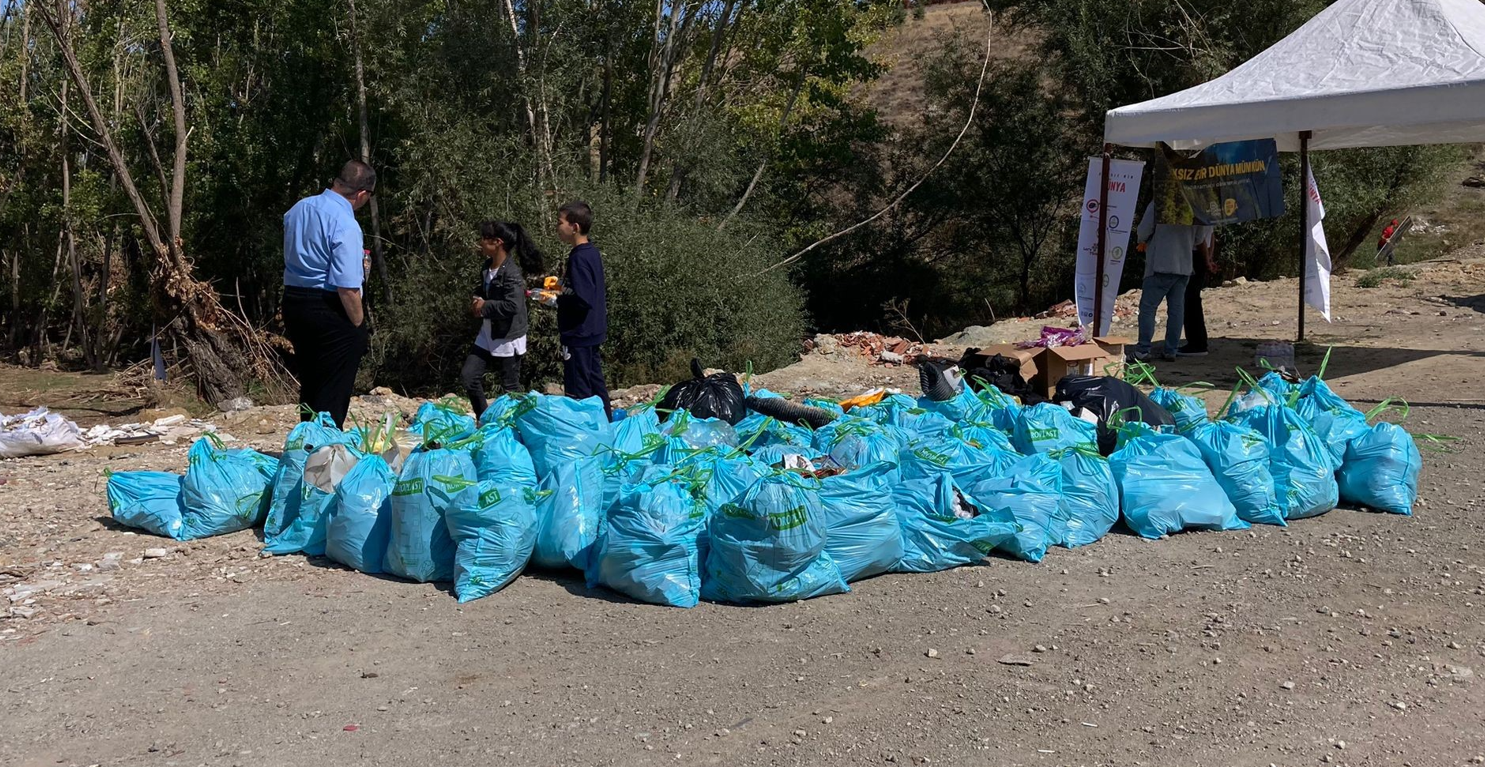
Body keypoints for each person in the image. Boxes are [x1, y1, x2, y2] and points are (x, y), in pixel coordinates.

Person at [281, 160, 376, 428]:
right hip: (328, 304)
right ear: (362, 194)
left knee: (310, 380)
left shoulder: (298, 209)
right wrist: (359, 325)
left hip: (294, 301)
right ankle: (325, 450)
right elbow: (347, 286)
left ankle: (307, 441)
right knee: (333, 385)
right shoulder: (345, 223)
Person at [461, 221, 543, 419]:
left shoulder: (511, 273)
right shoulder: (488, 267)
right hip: (489, 332)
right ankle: (484, 418)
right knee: (469, 376)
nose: (480, 243)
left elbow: (513, 305)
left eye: (484, 239)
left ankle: (515, 427)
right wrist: (476, 300)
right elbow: (483, 290)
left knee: (510, 388)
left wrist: (485, 306)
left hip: (508, 336)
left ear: (497, 242)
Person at [550, 200, 610, 418]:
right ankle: (606, 424)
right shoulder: (591, 252)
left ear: (574, 227)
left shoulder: (578, 257)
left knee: (579, 388)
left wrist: (558, 300)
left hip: (579, 332)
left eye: (560, 222)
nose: (557, 227)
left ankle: (587, 434)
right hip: (592, 330)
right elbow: (585, 288)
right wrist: (562, 287)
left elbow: (582, 298)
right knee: (595, 382)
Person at [1131, 200, 1212, 362]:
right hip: (1184, 266)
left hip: (1160, 263)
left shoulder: (1158, 203)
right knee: (1176, 309)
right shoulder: (1193, 205)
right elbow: (1199, 238)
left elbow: (1143, 232)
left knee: (1148, 308)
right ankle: (1171, 350)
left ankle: (1143, 349)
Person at [1179, 228, 1218, 357]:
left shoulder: (1198, 215)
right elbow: (1211, 236)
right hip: (1202, 255)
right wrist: (1209, 258)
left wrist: (1206, 261)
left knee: (1190, 300)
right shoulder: (1208, 216)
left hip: (1195, 254)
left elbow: (1200, 240)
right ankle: (1198, 342)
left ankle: (1196, 343)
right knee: (1193, 299)